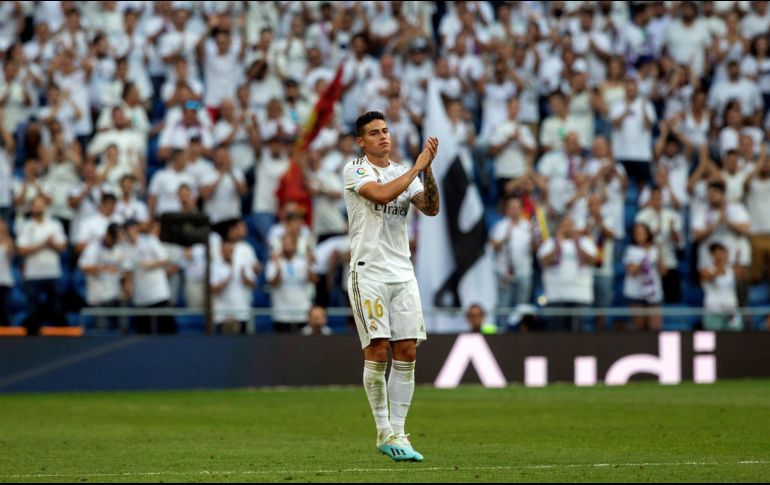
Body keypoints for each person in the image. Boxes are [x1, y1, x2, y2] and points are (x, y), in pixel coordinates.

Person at [343, 111, 439, 462]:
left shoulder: (403, 171)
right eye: (374, 133)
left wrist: (427, 170)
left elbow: (430, 208)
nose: (383, 136)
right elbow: (382, 196)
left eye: (385, 131)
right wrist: (417, 167)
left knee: (408, 351)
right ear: (361, 141)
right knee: (378, 349)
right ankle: (383, 429)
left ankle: (399, 432)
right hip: (368, 272)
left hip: (402, 273)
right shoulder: (355, 169)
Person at [623, 223, 666, 332]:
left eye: (642, 232)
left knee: (655, 328)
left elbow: (663, 272)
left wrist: (660, 252)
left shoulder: (655, 250)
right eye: (637, 233)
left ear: (647, 234)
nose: (639, 235)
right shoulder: (630, 250)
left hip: (653, 294)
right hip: (636, 294)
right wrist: (645, 258)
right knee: (640, 329)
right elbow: (632, 271)